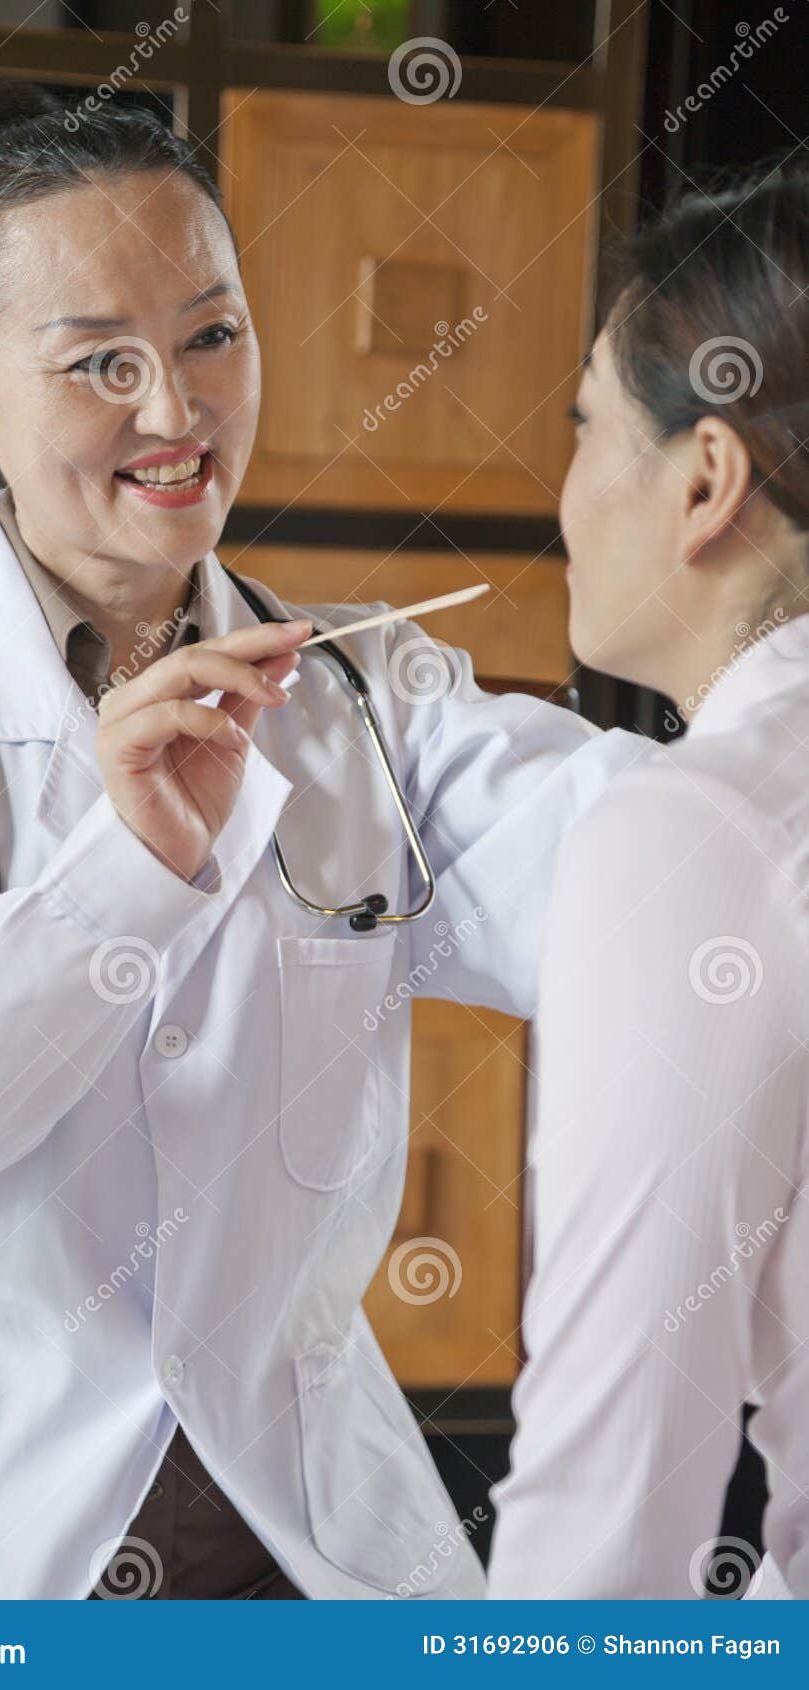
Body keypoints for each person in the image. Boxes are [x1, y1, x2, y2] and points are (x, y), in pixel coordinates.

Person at [0, 82, 637, 1601]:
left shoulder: (366, 698)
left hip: (288, 1528)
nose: (178, 414)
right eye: (101, 361)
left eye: (214, 334)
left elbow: (645, 881)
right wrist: (129, 871)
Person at [487, 161, 809, 1600]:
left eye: (584, 429)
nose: (562, 501)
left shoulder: (699, 830)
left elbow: (610, 1511)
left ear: (704, 478)